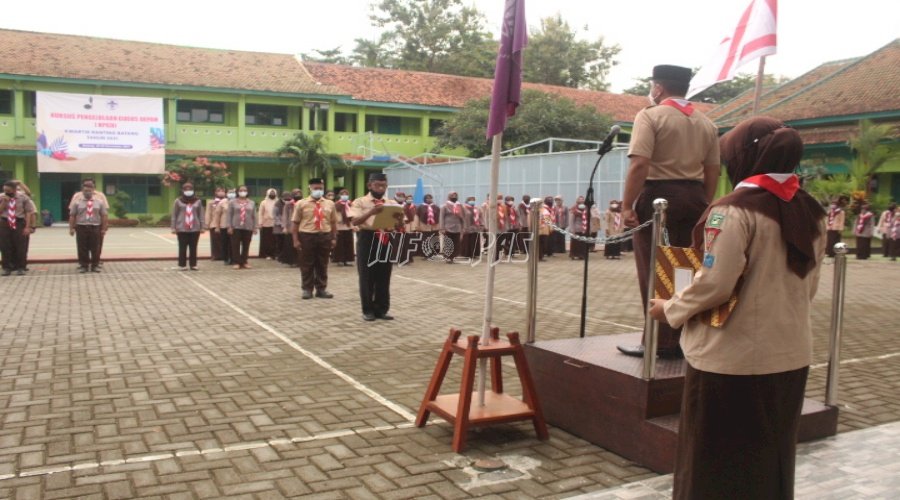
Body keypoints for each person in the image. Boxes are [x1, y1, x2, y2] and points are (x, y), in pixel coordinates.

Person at [649, 116, 826, 500]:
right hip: (790, 353)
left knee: (714, 462)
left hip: (730, 360)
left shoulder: (730, 211)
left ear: (743, 158)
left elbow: (714, 284)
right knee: (771, 457)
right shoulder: (812, 210)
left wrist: (670, 309)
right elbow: (808, 286)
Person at [619, 65, 720, 360]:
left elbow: (639, 164)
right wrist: (704, 201)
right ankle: (681, 338)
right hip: (695, 197)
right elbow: (713, 169)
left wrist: (627, 205)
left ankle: (657, 342)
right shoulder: (706, 123)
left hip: (658, 198)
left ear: (659, 88)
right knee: (684, 269)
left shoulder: (650, 116)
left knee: (652, 269)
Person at [350, 172, 403, 321]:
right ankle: (368, 310)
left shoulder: (391, 203)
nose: (381, 188)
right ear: (369, 185)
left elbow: (400, 225)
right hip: (368, 238)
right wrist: (372, 211)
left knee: (384, 276)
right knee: (367, 276)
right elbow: (354, 221)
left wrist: (399, 220)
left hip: (386, 238)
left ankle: (382, 309)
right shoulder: (359, 202)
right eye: (377, 185)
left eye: (384, 185)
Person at [292, 178, 337, 299]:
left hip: (324, 236)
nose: (318, 190)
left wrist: (334, 238)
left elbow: (333, 222)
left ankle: (321, 289)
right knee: (307, 264)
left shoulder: (330, 204)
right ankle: (307, 289)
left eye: (320, 188)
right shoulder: (301, 203)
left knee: (322, 264)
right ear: (310, 188)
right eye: (316, 188)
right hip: (307, 236)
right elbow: (295, 223)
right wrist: (295, 240)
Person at [69, 182, 108, 273]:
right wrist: (71, 228)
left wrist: (103, 228)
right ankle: (84, 265)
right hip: (81, 227)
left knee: (95, 247)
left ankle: (95, 265)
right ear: (82, 191)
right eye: (85, 191)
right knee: (82, 247)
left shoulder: (100, 202)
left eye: (89, 191)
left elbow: (104, 215)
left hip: (95, 227)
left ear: (93, 191)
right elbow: (72, 215)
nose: (87, 192)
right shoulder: (77, 202)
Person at [0, 180, 36, 276]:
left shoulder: (23, 198)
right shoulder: (1, 197)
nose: (7, 192)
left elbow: (29, 212)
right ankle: (7, 267)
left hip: (19, 221)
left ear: (15, 190)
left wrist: (27, 227)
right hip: (5, 222)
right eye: (5, 190)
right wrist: (3, 203)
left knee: (20, 245)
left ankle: (21, 267)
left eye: (9, 190)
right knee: (5, 245)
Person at [171, 182, 205, 270]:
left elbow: (201, 214)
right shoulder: (178, 201)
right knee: (182, 247)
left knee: (193, 247)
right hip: (182, 228)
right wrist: (173, 227)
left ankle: (193, 264)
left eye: (190, 189)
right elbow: (174, 215)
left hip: (195, 228)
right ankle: (182, 265)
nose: (188, 191)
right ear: (182, 190)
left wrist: (202, 226)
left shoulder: (198, 201)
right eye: (186, 189)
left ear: (193, 191)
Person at [226, 185, 257, 269]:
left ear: (247, 192)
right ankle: (236, 262)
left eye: (244, 190)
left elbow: (254, 216)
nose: (243, 191)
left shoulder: (252, 202)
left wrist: (255, 227)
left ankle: (244, 261)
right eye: (241, 190)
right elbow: (229, 215)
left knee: (246, 245)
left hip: (248, 227)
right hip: (235, 227)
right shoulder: (232, 202)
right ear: (238, 192)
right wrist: (229, 226)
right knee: (235, 245)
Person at [439, 191, 466, 263]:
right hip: (448, 227)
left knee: (456, 243)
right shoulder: (444, 206)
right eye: (452, 196)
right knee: (448, 242)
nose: (454, 197)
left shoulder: (460, 206)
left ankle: (454, 256)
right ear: (449, 196)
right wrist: (442, 228)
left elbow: (463, 217)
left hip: (458, 227)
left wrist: (464, 227)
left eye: (455, 196)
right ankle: (448, 257)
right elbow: (441, 217)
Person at [331, 188, 355, 267]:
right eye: (343, 194)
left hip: (348, 226)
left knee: (348, 244)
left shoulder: (350, 204)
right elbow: (335, 215)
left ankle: (347, 260)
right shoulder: (337, 204)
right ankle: (339, 260)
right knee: (339, 244)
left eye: (346, 194)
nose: (345, 196)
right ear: (340, 195)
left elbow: (353, 214)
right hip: (339, 226)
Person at [214, 189, 236, 265]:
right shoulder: (222, 202)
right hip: (224, 226)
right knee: (225, 243)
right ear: (226, 193)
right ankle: (226, 259)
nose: (231, 194)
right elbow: (217, 215)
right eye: (230, 192)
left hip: (235, 226)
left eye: (233, 193)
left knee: (234, 243)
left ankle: (234, 259)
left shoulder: (238, 202)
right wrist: (217, 226)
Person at [205, 187, 227, 261]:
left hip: (224, 224)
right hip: (214, 224)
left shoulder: (228, 202)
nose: (221, 192)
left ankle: (225, 255)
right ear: (215, 192)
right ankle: (215, 255)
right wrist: (207, 223)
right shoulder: (211, 202)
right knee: (215, 241)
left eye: (222, 191)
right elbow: (208, 213)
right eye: (218, 191)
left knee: (224, 241)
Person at [416, 194, 440, 258]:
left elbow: (439, 216)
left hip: (434, 226)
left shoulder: (436, 207)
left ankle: (434, 253)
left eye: (430, 198)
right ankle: (426, 254)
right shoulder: (420, 207)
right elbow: (417, 217)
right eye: (427, 198)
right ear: (424, 199)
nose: (429, 199)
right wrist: (417, 226)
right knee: (425, 240)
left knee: (434, 239)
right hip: (424, 226)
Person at [257, 188, 278, 259]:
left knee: (275, 240)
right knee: (266, 240)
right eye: (271, 193)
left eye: (273, 193)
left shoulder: (278, 202)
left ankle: (274, 254)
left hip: (276, 224)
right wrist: (260, 223)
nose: (272, 194)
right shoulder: (263, 202)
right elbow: (260, 213)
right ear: (268, 194)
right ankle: (266, 254)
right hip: (266, 224)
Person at [280, 190, 299, 266]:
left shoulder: (303, 203)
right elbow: (285, 216)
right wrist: (284, 227)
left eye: (299, 193)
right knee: (290, 245)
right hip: (290, 227)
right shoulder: (288, 204)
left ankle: (300, 261)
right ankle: (292, 261)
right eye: (296, 194)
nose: (298, 195)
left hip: (301, 228)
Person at [568, 196, 590, 260]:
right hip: (576, 229)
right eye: (580, 199)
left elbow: (588, 220)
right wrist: (572, 230)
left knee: (583, 243)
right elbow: (571, 221)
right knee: (575, 243)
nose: (581, 200)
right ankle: (574, 255)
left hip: (584, 229)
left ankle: (582, 255)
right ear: (577, 201)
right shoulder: (574, 209)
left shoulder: (586, 209)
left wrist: (589, 229)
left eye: (582, 199)